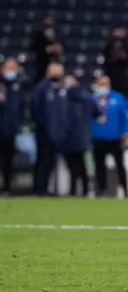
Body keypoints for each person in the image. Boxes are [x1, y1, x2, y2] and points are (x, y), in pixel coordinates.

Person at [30, 62, 70, 196]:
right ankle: (40, 188)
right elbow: (35, 109)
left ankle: (50, 188)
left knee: (52, 162)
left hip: (58, 133)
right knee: (43, 161)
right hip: (44, 132)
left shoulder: (61, 88)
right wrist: (44, 126)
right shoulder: (42, 88)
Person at [59, 75, 99, 197]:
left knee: (73, 167)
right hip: (82, 137)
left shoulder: (63, 99)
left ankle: (73, 190)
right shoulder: (87, 98)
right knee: (82, 167)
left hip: (67, 137)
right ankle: (85, 190)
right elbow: (97, 113)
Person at [91, 75, 128, 197]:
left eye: (106, 84)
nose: (103, 87)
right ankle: (101, 190)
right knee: (99, 166)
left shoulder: (118, 98)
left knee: (120, 165)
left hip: (115, 138)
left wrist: (125, 132)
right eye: (101, 84)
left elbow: (125, 117)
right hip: (97, 137)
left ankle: (125, 190)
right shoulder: (92, 99)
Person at [0, 58, 26, 195]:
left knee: (8, 159)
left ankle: (7, 187)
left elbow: (21, 106)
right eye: (8, 68)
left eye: (13, 68)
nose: (10, 71)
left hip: (11, 129)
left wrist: (20, 124)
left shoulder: (19, 85)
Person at [31, 11, 63, 83]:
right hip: (42, 63)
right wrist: (48, 49)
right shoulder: (38, 33)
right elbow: (35, 47)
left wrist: (58, 48)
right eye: (48, 19)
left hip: (54, 62)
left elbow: (62, 44)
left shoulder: (56, 31)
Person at [102, 26, 128, 100]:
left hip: (123, 78)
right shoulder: (108, 46)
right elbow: (106, 59)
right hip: (111, 76)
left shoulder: (127, 47)